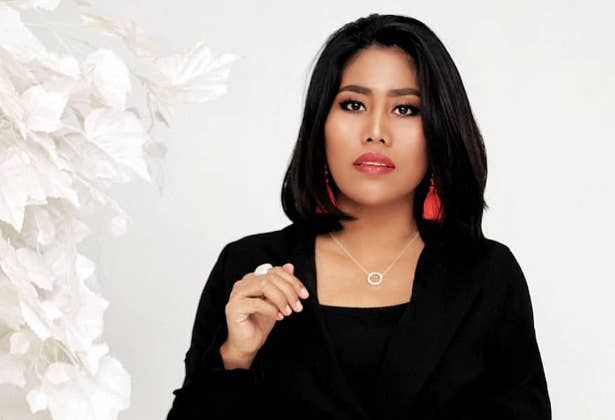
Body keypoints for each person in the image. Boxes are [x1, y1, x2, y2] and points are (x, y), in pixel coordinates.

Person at [166, 13, 551, 420]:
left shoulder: (487, 275)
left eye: (405, 109)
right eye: (353, 104)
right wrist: (235, 356)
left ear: (438, 129)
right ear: (321, 122)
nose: (376, 131)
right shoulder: (248, 267)